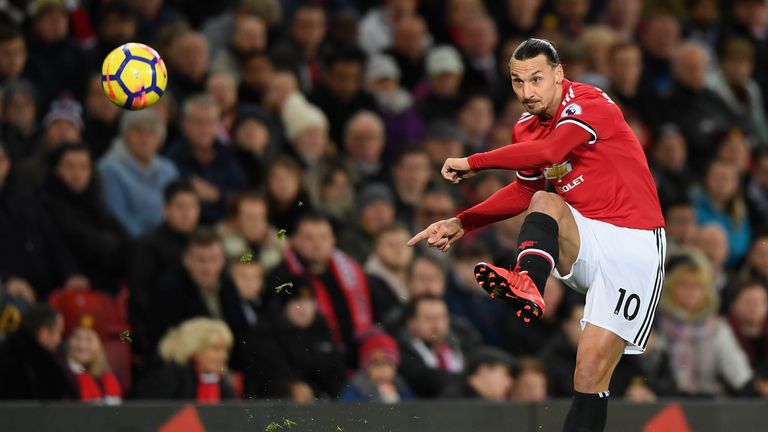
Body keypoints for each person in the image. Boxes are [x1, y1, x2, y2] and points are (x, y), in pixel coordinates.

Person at [408, 39, 666, 431]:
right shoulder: (525, 129)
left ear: (558, 76)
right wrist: (462, 222)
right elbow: (526, 191)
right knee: (545, 199)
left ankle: (529, 280)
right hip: (585, 237)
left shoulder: (589, 102)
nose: (526, 92)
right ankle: (527, 279)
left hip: (634, 242)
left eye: (536, 79)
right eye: (516, 81)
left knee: (590, 373)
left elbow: (551, 152)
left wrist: (475, 163)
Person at [133, 317, 236, 402]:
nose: (223, 356)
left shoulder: (220, 380)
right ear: (195, 348)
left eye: (225, 350)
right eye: (216, 349)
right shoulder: (169, 375)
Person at [0, 304, 75, 400]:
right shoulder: (45, 369)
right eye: (58, 332)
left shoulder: (6, 352)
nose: (59, 340)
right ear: (44, 334)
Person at [340, 333, 414, 403]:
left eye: (388, 365)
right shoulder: (357, 386)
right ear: (367, 369)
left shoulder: (399, 384)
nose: (383, 370)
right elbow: (348, 408)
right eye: (377, 365)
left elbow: (412, 407)